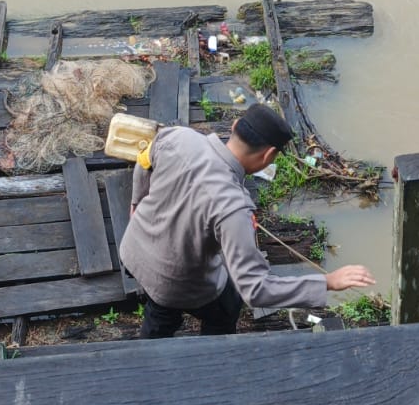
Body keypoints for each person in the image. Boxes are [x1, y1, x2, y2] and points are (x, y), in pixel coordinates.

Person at [117, 102, 375, 338]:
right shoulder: (234, 207)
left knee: (161, 308)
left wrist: (137, 204)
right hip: (171, 281)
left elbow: (144, 159)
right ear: (268, 155)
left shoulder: (179, 137)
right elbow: (255, 289)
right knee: (227, 305)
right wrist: (327, 282)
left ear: (234, 127)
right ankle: (210, 355)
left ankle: (155, 333)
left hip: (133, 248)